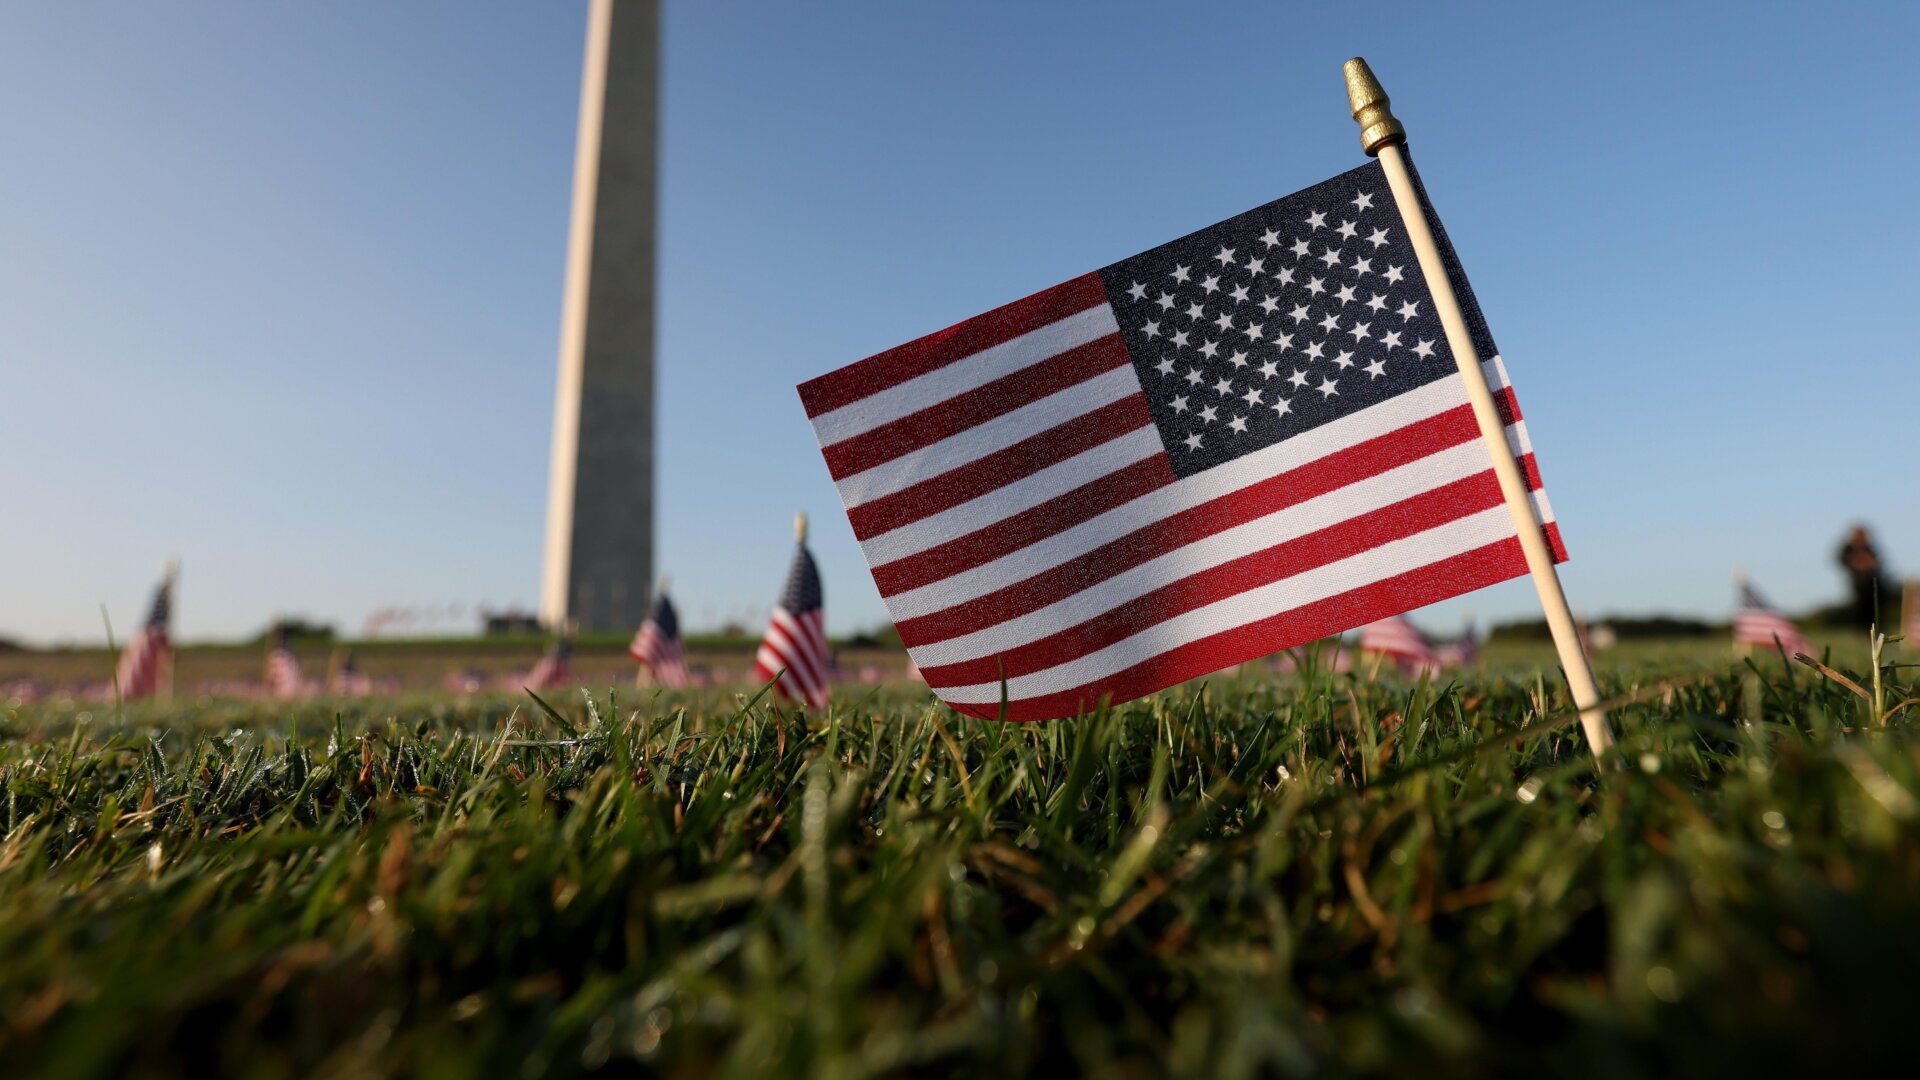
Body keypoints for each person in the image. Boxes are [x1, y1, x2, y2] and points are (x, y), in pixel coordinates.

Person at [1836, 524, 1885, 628]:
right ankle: (1862, 628)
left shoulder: (1869, 548)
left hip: (1872, 582)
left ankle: (1877, 626)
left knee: (1875, 607)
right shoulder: (1848, 548)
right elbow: (1842, 560)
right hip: (1858, 583)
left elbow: (1877, 562)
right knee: (1861, 609)